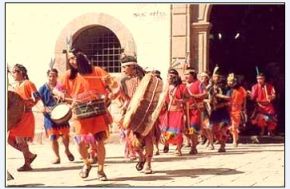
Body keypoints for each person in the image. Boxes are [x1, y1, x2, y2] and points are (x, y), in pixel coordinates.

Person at [54, 50, 112, 181]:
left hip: (97, 112)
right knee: (80, 143)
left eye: (74, 58)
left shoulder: (97, 71)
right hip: (79, 113)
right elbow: (56, 89)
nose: (72, 61)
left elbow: (112, 84)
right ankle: (86, 163)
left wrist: (111, 92)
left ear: (83, 56)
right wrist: (60, 94)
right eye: (70, 59)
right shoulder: (68, 75)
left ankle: (101, 170)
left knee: (99, 141)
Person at [116, 54, 155, 174]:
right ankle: (141, 156)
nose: (122, 70)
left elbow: (155, 95)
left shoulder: (148, 79)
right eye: (122, 68)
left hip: (147, 112)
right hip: (132, 113)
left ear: (132, 66)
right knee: (132, 139)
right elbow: (121, 95)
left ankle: (148, 163)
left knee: (148, 138)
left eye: (124, 67)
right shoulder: (123, 81)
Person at [38, 68, 74, 164]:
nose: (51, 78)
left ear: (56, 77)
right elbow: (38, 101)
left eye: (54, 76)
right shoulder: (42, 88)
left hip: (60, 113)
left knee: (65, 134)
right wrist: (42, 108)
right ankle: (57, 156)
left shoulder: (61, 87)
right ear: (47, 76)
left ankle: (67, 150)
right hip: (49, 116)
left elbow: (68, 99)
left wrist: (68, 103)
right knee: (52, 137)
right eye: (50, 76)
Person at [8, 64, 39, 171]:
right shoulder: (15, 86)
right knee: (10, 140)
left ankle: (27, 164)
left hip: (26, 115)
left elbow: (37, 96)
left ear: (21, 72)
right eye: (12, 72)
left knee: (20, 140)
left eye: (14, 72)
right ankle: (29, 155)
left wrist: (29, 104)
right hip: (16, 117)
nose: (13, 74)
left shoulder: (28, 83)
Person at [159, 68, 186, 156]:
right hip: (168, 112)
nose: (168, 78)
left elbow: (188, 98)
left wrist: (179, 101)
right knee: (166, 130)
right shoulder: (166, 87)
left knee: (177, 131)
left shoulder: (181, 87)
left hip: (178, 112)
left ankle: (178, 148)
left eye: (171, 76)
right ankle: (166, 144)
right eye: (168, 76)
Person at [206, 66, 231, 152]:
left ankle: (222, 146)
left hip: (222, 110)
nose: (214, 78)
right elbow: (208, 97)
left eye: (216, 76)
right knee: (211, 128)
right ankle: (213, 143)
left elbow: (229, 98)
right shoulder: (211, 87)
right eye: (213, 76)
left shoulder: (225, 87)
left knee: (222, 129)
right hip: (214, 111)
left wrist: (219, 96)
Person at [183, 68, 204, 154]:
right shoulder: (183, 85)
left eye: (187, 74)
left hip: (195, 110)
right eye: (185, 74)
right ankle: (194, 140)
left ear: (193, 75)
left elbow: (205, 93)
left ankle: (193, 147)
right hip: (185, 111)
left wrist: (194, 95)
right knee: (185, 130)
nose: (185, 76)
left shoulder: (199, 84)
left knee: (192, 128)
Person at [226, 73, 247, 147]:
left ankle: (235, 141)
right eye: (228, 81)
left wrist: (244, 108)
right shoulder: (226, 89)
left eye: (231, 81)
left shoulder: (241, 89)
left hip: (237, 110)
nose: (229, 82)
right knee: (228, 127)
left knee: (234, 126)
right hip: (228, 110)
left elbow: (244, 98)